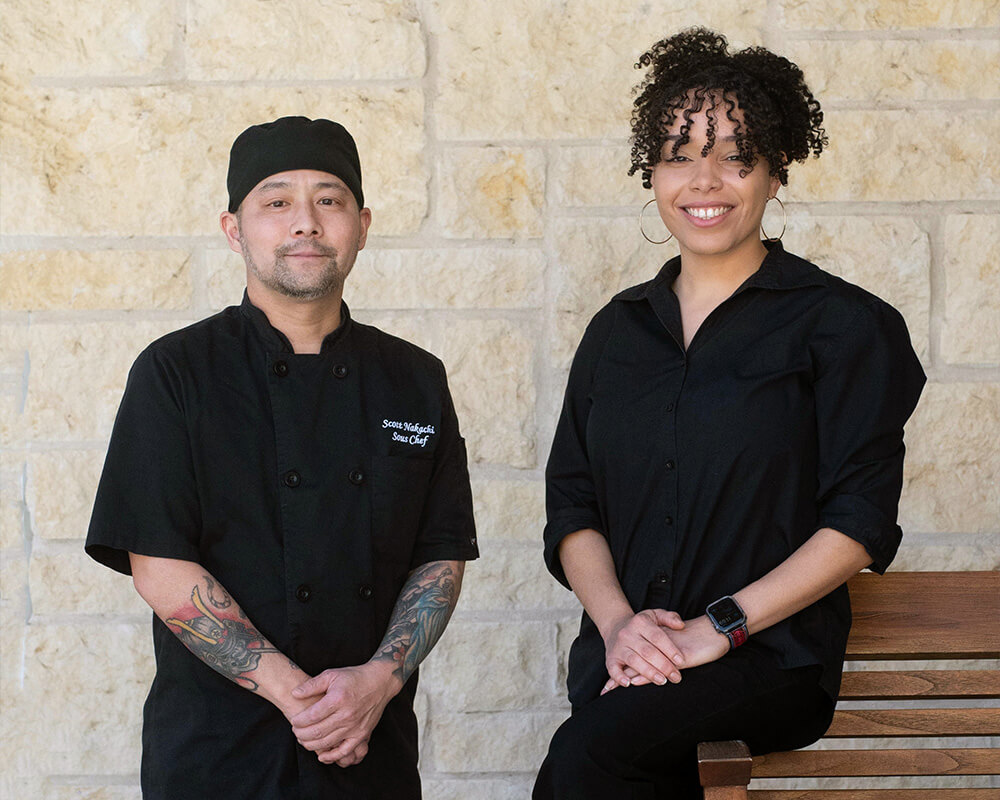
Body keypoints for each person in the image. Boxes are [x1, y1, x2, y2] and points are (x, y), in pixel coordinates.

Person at [533, 29, 925, 799]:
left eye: (735, 155)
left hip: (764, 662)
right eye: (679, 154)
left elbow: (859, 522)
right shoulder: (616, 331)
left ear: (776, 172)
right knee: (620, 748)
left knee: (589, 758)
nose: (703, 180)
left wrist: (715, 630)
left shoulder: (844, 326)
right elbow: (572, 507)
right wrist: (620, 627)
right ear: (651, 170)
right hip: (630, 658)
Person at [86, 116, 479, 799]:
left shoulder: (414, 378)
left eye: (329, 199)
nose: (306, 222)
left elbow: (439, 555)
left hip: (370, 752)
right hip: (219, 757)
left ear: (361, 222)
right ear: (234, 229)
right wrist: (302, 698)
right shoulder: (176, 373)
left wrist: (377, 684)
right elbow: (157, 561)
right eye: (276, 201)